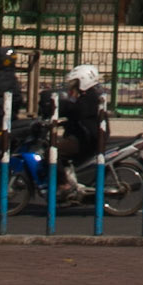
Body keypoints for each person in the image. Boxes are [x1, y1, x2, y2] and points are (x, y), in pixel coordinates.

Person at [54, 64, 106, 200]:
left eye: (75, 82)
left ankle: (64, 184)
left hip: (88, 138)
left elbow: (78, 111)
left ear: (83, 80)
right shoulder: (86, 94)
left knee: (53, 151)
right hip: (84, 135)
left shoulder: (89, 96)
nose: (72, 85)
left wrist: (63, 106)